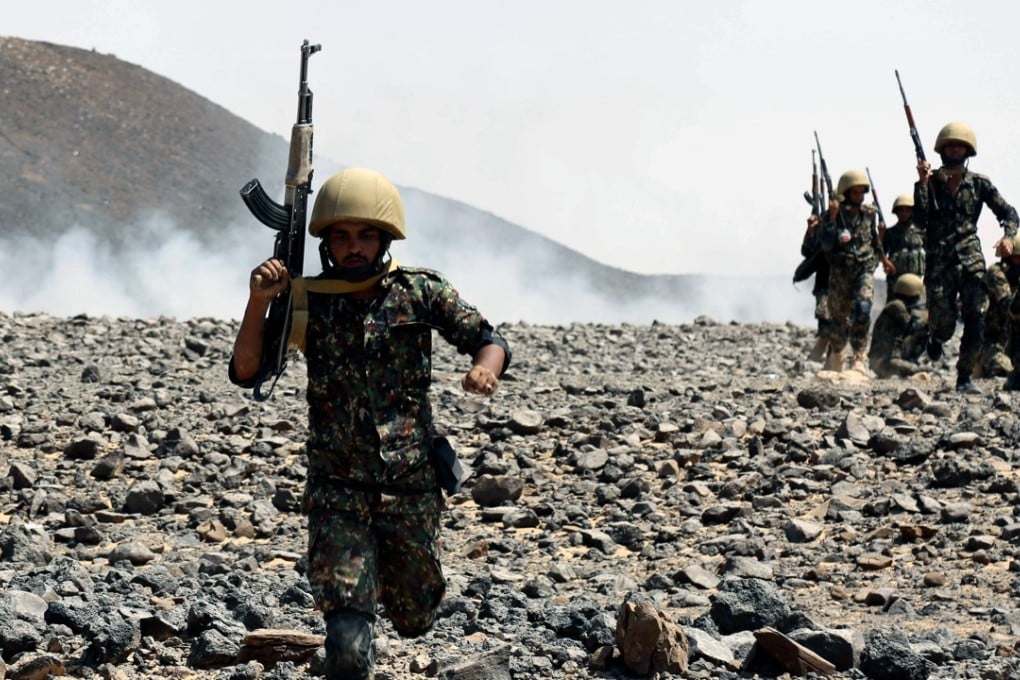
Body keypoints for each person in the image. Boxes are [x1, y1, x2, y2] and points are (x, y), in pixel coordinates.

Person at [229, 167, 511, 679]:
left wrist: (483, 370)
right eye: (341, 236)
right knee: (348, 641)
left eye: (364, 235)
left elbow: (491, 340)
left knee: (416, 613)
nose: (353, 247)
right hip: (338, 490)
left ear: (384, 238)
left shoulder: (419, 291)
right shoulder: (307, 300)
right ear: (326, 242)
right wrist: (259, 301)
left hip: (410, 488)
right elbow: (247, 371)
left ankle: (390, 582)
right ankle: (354, 599)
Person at [913, 121, 1018, 393]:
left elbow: (1009, 213)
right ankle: (935, 339)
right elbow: (919, 220)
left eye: (960, 146)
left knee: (975, 319)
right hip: (939, 263)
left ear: (968, 150)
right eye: (951, 145)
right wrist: (923, 184)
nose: (955, 149)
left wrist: (1008, 237)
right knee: (945, 326)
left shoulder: (979, 183)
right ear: (942, 149)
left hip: (971, 259)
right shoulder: (930, 182)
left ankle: (964, 377)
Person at [818, 169, 893, 373]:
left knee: (863, 308)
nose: (859, 197)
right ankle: (837, 355)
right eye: (855, 193)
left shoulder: (869, 214)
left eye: (862, 193)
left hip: (864, 269)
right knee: (839, 318)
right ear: (845, 193)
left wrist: (884, 259)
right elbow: (825, 245)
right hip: (841, 273)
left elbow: (874, 241)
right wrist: (832, 219)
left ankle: (859, 356)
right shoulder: (832, 215)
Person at [868, 273, 928, 378]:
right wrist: (928, 318)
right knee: (918, 369)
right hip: (884, 361)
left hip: (883, 359)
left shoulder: (897, 305)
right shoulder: (897, 306)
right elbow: (913, 327)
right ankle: (910, 365)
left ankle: (909, 363)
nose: (918, 298)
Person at [977, 234, 1020, 378]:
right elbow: (1006, 305)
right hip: (993, 344)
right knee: (1003, 369)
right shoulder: (996, 273)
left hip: (1013, 343)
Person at [799, 214, 832, 361]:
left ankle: (835, 353)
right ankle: (821, 350)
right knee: (824, 315)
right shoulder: (822, 221)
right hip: (825, 281)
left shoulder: (851, 220)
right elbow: (806, 251)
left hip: (844, 279)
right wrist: (811, 231)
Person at [881, 193, 926, 297]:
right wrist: (881, 235)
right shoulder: (890, 233)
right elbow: (880, 253)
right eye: (901, 210)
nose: (904, 213)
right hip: (895, 280)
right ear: (896, 212)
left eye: (907, 210)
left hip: (915, 279)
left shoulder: (920, 233)